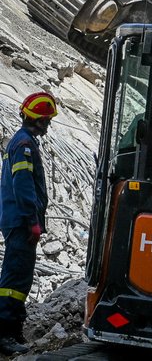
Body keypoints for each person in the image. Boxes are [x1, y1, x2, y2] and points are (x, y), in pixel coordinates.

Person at [0, 92, 57, 355]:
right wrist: (32, 221)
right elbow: (23, 186)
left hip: (18, 220)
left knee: (19, 279)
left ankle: (12, 330)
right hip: (21, 222)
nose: (48, 124)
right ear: (40, 119)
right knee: (14, 280)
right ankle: (4, 335)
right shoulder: (24, 144)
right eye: (47, 119)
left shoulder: (22, 141)